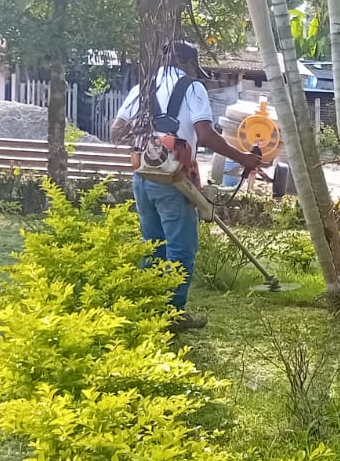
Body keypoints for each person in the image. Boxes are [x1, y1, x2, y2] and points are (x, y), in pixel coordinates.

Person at [110, 41, 261, 331]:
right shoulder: (193, 88)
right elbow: (204, 135)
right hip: (173, 180)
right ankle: (172, 315)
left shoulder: (142, 89)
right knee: (181, 249)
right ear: (189, 63)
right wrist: (243, 158)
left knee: (152, 246)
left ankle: (147, 308)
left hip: (142, 177)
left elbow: (117, 131)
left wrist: (150, 137)